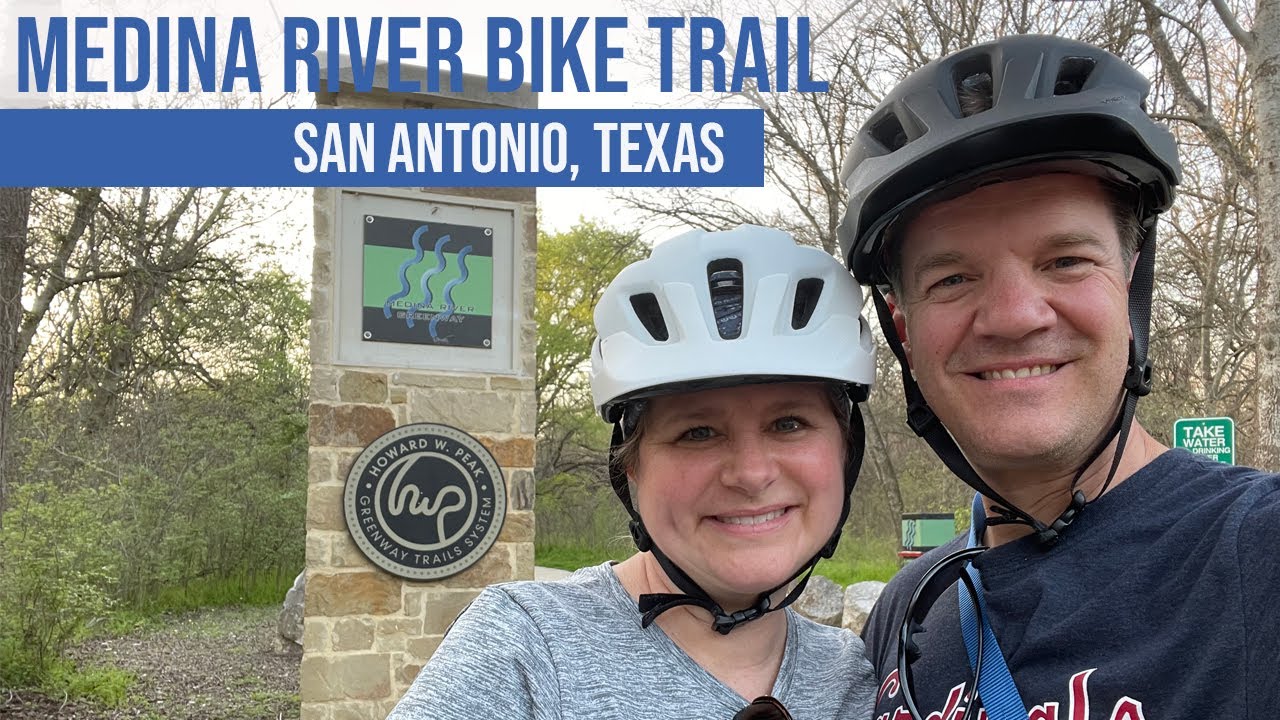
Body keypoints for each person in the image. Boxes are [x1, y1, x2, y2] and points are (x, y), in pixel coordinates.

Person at [835, 34, 1280, 720]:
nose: (1014, 317)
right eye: (953, 277)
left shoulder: (1258, 551)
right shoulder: (907, 609)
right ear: (903, 328)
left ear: (1128, 283)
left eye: (1066, 260)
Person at [387, 225, 879, 720]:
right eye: (698, 433)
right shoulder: (525, 649)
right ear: (631, 468)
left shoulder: (855, 676)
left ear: (845, 451)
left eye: (788, 423)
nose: (751, 474)